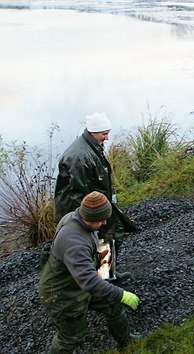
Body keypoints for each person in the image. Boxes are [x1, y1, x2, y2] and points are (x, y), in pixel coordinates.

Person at [39, 191, 141, 353]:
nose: (105, 222)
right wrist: (122, 294)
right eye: (102, 220)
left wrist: (106, 270)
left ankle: (126, 342)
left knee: (112, 304)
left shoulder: (75, 216)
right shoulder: (74, 243)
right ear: (90, 218)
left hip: (79, 281)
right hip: (62, 293)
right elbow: (90, 282)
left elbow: (99, 245)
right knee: (70, 338)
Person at [54, 112, 130, 279]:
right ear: (93, 132)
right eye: (104, 134)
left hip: (97, 205)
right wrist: (90, 218)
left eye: (108, 133)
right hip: (82, 210)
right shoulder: (79, 157)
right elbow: (78, 193)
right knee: (101, 238)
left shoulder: (91, 146)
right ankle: (101, 279)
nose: (107, 138)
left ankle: (107, 274)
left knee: (112, 234)